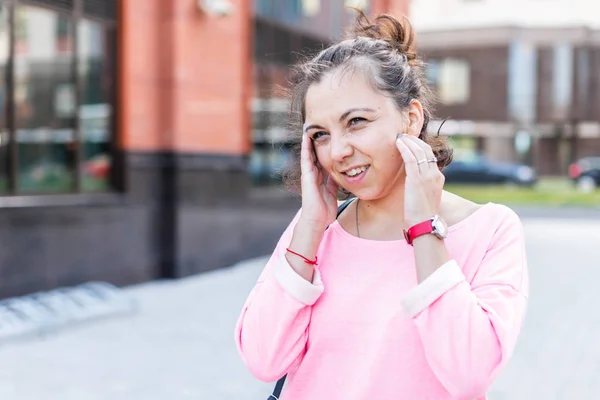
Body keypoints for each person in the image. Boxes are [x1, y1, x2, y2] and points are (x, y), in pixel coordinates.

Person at [235, 11, 529, 400]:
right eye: (320, 134)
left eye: (356, 121)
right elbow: (263, 360)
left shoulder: (489, 230)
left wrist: (424, 226)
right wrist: (310, 227)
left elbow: (470, 374)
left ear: (410, 118)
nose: (338, 151)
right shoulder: (315, 231)